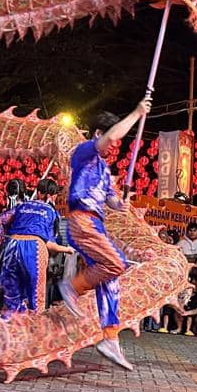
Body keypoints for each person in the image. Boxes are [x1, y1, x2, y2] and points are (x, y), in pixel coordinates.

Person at [56, 97, 151, 370]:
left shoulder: (104, 169)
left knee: (110, 280)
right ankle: (71, 287)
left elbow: (112, 202)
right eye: (110, 141)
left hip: (96, 223)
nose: (113, 148)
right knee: (117, 263)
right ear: (99, 134)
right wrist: (137, 111)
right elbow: (111, 136)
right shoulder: (84, 151)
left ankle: (110, 338)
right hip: (81, 222)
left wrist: (122, 203)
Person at [0, 178, 75, 316]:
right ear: (52, 195)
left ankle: (8, 329)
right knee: (36, 297)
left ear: (38, 192)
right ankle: (35, 330)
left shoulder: (22, 206)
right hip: (34, 248)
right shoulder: (51, 211)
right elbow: (49, 244)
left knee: (11, 297)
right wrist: (67, 249)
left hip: (12, 245)